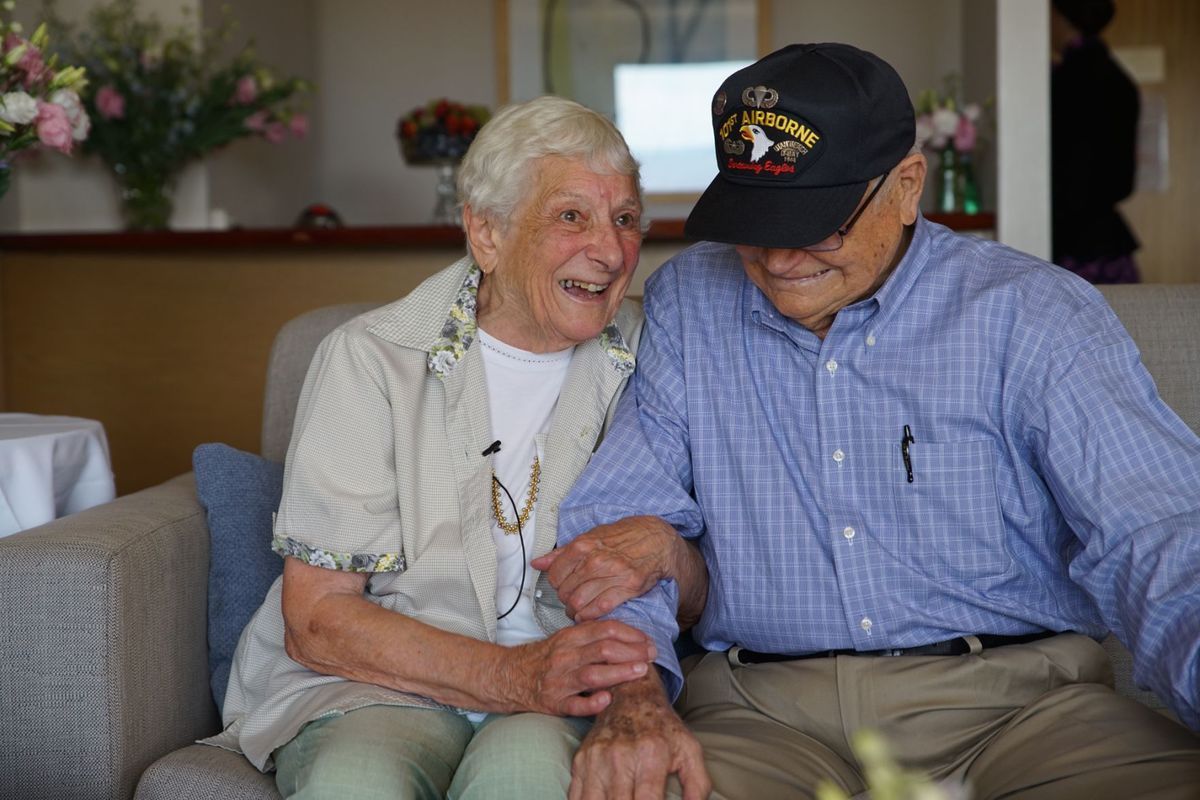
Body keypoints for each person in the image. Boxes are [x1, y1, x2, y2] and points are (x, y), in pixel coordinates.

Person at [548, 43, 1200, 799]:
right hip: (763, 714)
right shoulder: (692, 303)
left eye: (818, 223)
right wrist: (635, 702)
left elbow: (1160, 534)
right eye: (758, 221)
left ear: (907, 186)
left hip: (1023, 709)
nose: (780, 258)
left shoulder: (1032, 315)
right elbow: (620, 533)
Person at [206, 95, 704, 799]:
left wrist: (670, 555)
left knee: (526, 777)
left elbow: (698, 590)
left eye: (625, 218)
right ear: (486, 232)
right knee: (354, 780)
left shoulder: (658, 355)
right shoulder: (372, 358)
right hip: (378, 684)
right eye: (571, 216)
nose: (611, 249)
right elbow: (318, 619)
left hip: (571, 688)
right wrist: (514, 675)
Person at [1051, 0, 1141, 283]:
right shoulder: (1120, 80)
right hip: (1109, 245)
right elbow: (1122, 179)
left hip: (1073, 246)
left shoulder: (1064, 81)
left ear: (1063, 19)